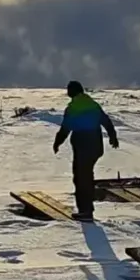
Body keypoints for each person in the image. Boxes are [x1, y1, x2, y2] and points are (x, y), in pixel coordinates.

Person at [51, 81, 120, 220]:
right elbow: (105, 121)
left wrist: (57, 143)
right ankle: (87, 209)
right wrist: (113, 136)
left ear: (72, 92)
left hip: (83, 147)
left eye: (68, 90)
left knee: (82, 178)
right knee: (86, 176)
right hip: (95, 146)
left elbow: (65, 128)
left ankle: (85, 211)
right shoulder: (92, 104)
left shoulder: (73, 108)